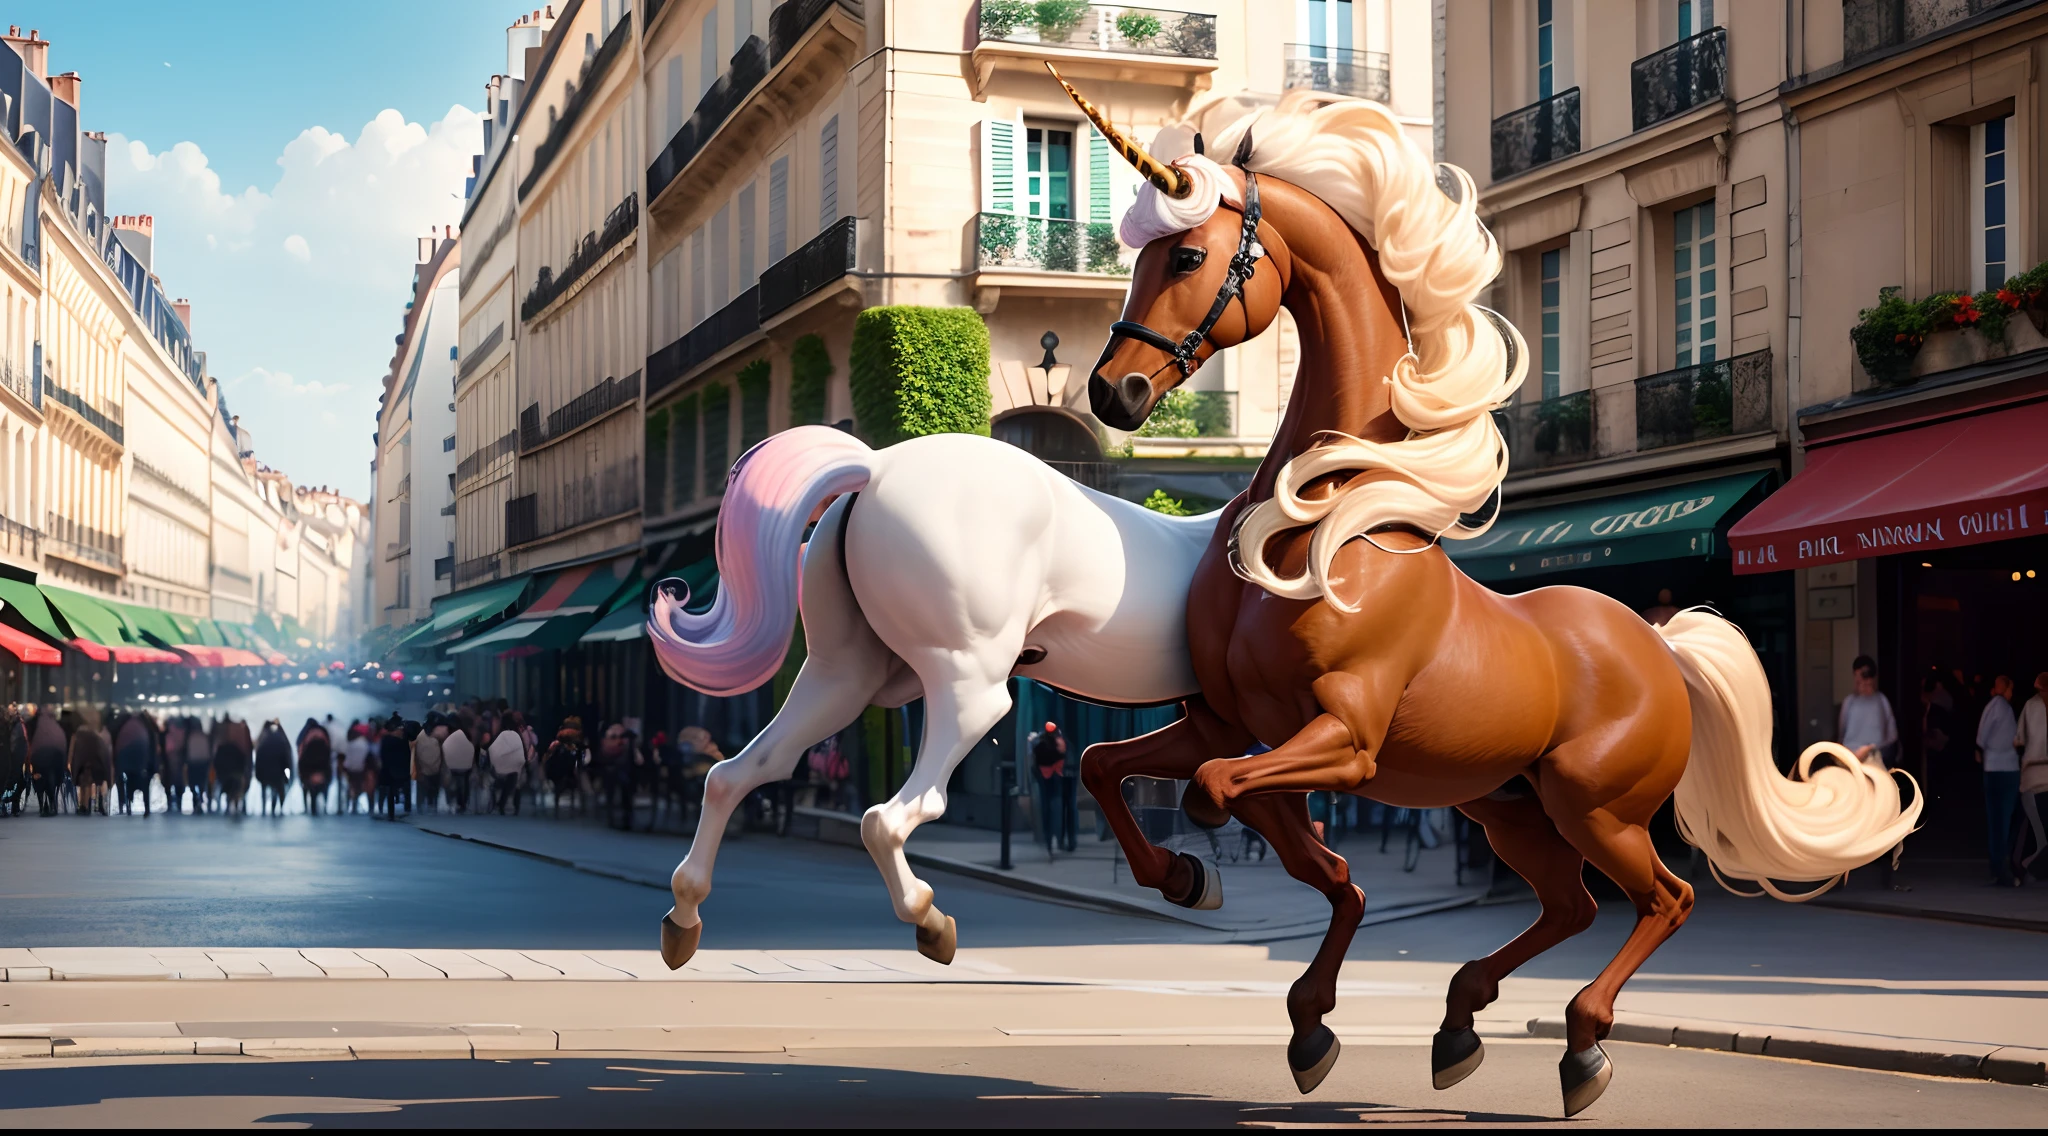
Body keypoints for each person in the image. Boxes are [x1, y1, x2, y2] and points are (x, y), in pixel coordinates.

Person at [1839, 656, 1902, 888]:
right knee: (1846, 816)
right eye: (1857, 679)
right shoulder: (1849, 702)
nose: (1860, 684)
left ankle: (1884, 870)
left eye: (1864, 679)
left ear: (1872, 678)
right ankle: (1840, 872)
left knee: (1882, 815)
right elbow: (1843, 732)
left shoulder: (1880, 701)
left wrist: (1870, 747)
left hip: (1872, 762)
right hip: (1851, 762)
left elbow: (1891, 734)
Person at [1976, 674, 2021, 887]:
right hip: (2005, 770)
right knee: (2004, 821)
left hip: (1992, 768)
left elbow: (1981, 738)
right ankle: (2002, 868)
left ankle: (1997, 866)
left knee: (1996, 822)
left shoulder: (1991, 707)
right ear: (2006, 688)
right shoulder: (2003, 708)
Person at [2013, 672, 2048, 882]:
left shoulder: (2030, 706)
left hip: (2032, 778)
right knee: (2041, 835)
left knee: (2038, 832)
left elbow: (2019, 739)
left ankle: (2024, 867)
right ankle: (2027, 867)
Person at [1030, 721, 1077, 855]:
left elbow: (1035, 759)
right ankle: (1065, 840)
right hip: (1061, 775)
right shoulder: (1063, 741)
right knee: (1065, 808)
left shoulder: (1040, 743)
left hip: (1047, 777)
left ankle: (1051, 839)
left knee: (1049, 808)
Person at [68, 708, 113, 816]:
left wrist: (70, 762)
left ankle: (84, 805)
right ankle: (94, 805)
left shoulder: (78, 734)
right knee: (92, 782)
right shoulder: (97, 734)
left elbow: (73, 750)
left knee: (85, 784)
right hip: (94, 762)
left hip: (84, 762)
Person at [113, 710, 155, 816]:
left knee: (127, 781)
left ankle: (127, 805)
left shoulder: (123, 725)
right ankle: (146, 808)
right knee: (144, 784)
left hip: (125, 756)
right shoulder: (145, 726)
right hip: (141, 758)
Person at [487, 718, 526, 815]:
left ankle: (500, 804)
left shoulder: (500, 736)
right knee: (515, 785)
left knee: (504, 784)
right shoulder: (517, 736)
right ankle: (512, 807)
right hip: (514, 768)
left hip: (502, 768)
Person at [378, 715, 413, 820]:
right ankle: (406, 809)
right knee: (402, 790)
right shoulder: (402, 741)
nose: (401, 731)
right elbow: (407, 755)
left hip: (389, 770)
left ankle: (390, 813)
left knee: (390, 792)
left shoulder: (385, 740)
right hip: (399, 770)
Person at [296, 717, 333, 816]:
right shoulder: (323, 732)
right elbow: (329, 750)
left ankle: (307, 808)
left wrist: (302, 773)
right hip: (323, 766)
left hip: (309, 767)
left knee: (307, 788)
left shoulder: (305, 733)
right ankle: (325, 806)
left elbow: (300, 749)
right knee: (324, 787)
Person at [443, 719, 477, 813]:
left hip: (454, 764)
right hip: (466, 764)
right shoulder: (466, 733)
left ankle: (453, 802)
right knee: (465, 784)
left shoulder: (449, 736)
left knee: (453, 783)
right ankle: (463, 803)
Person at [414, 716, 446, 813]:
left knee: (430, 790)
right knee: (427, 791)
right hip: (428, 769)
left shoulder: (424, 736)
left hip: (432, 769)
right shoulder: (421, 736)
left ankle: (428, 807)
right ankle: (427, 807)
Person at [342, 721, 374, 814]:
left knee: (353, 788)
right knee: (366, 788)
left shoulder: (351, 744)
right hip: (362, 769)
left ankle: (352, 807)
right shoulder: (366, 744)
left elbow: (347, 759)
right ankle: (370, 808)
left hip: (351, 769)